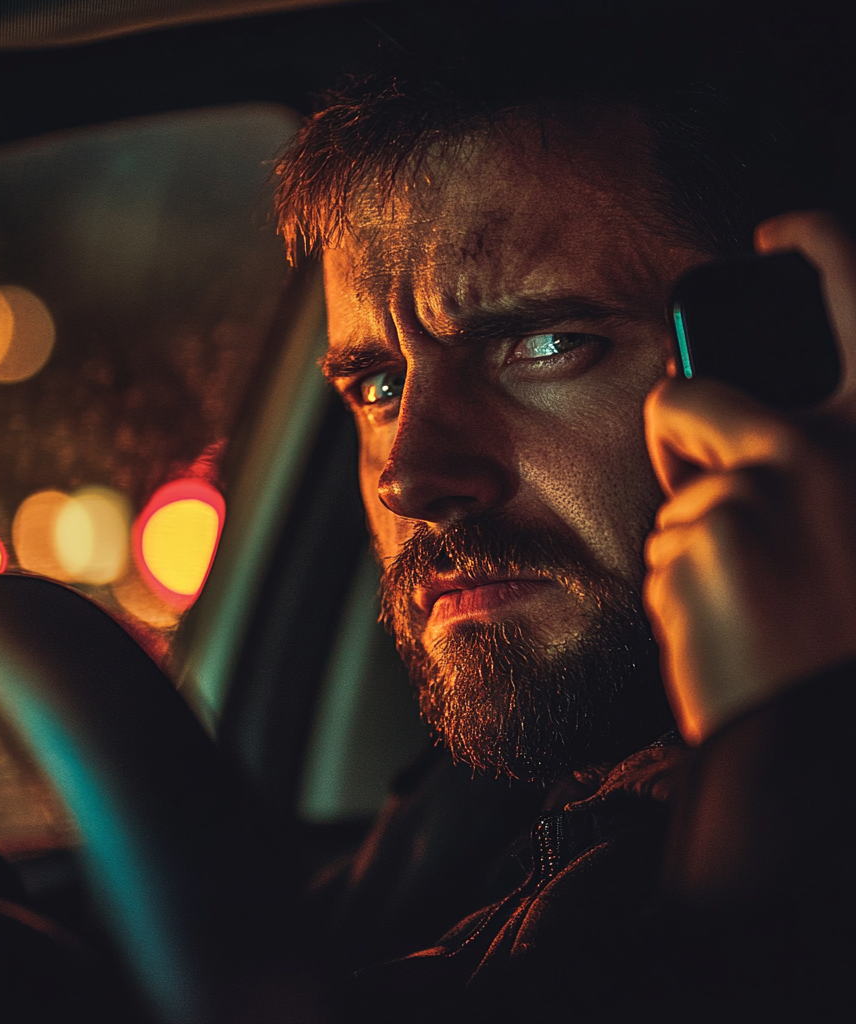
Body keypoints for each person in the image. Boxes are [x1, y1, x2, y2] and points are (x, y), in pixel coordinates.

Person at [274, 31, 855, 1022]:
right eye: (376, 383)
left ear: (787, 348)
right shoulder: (474, 811)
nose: (410, 475)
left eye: (542, 343)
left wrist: (792, 736)